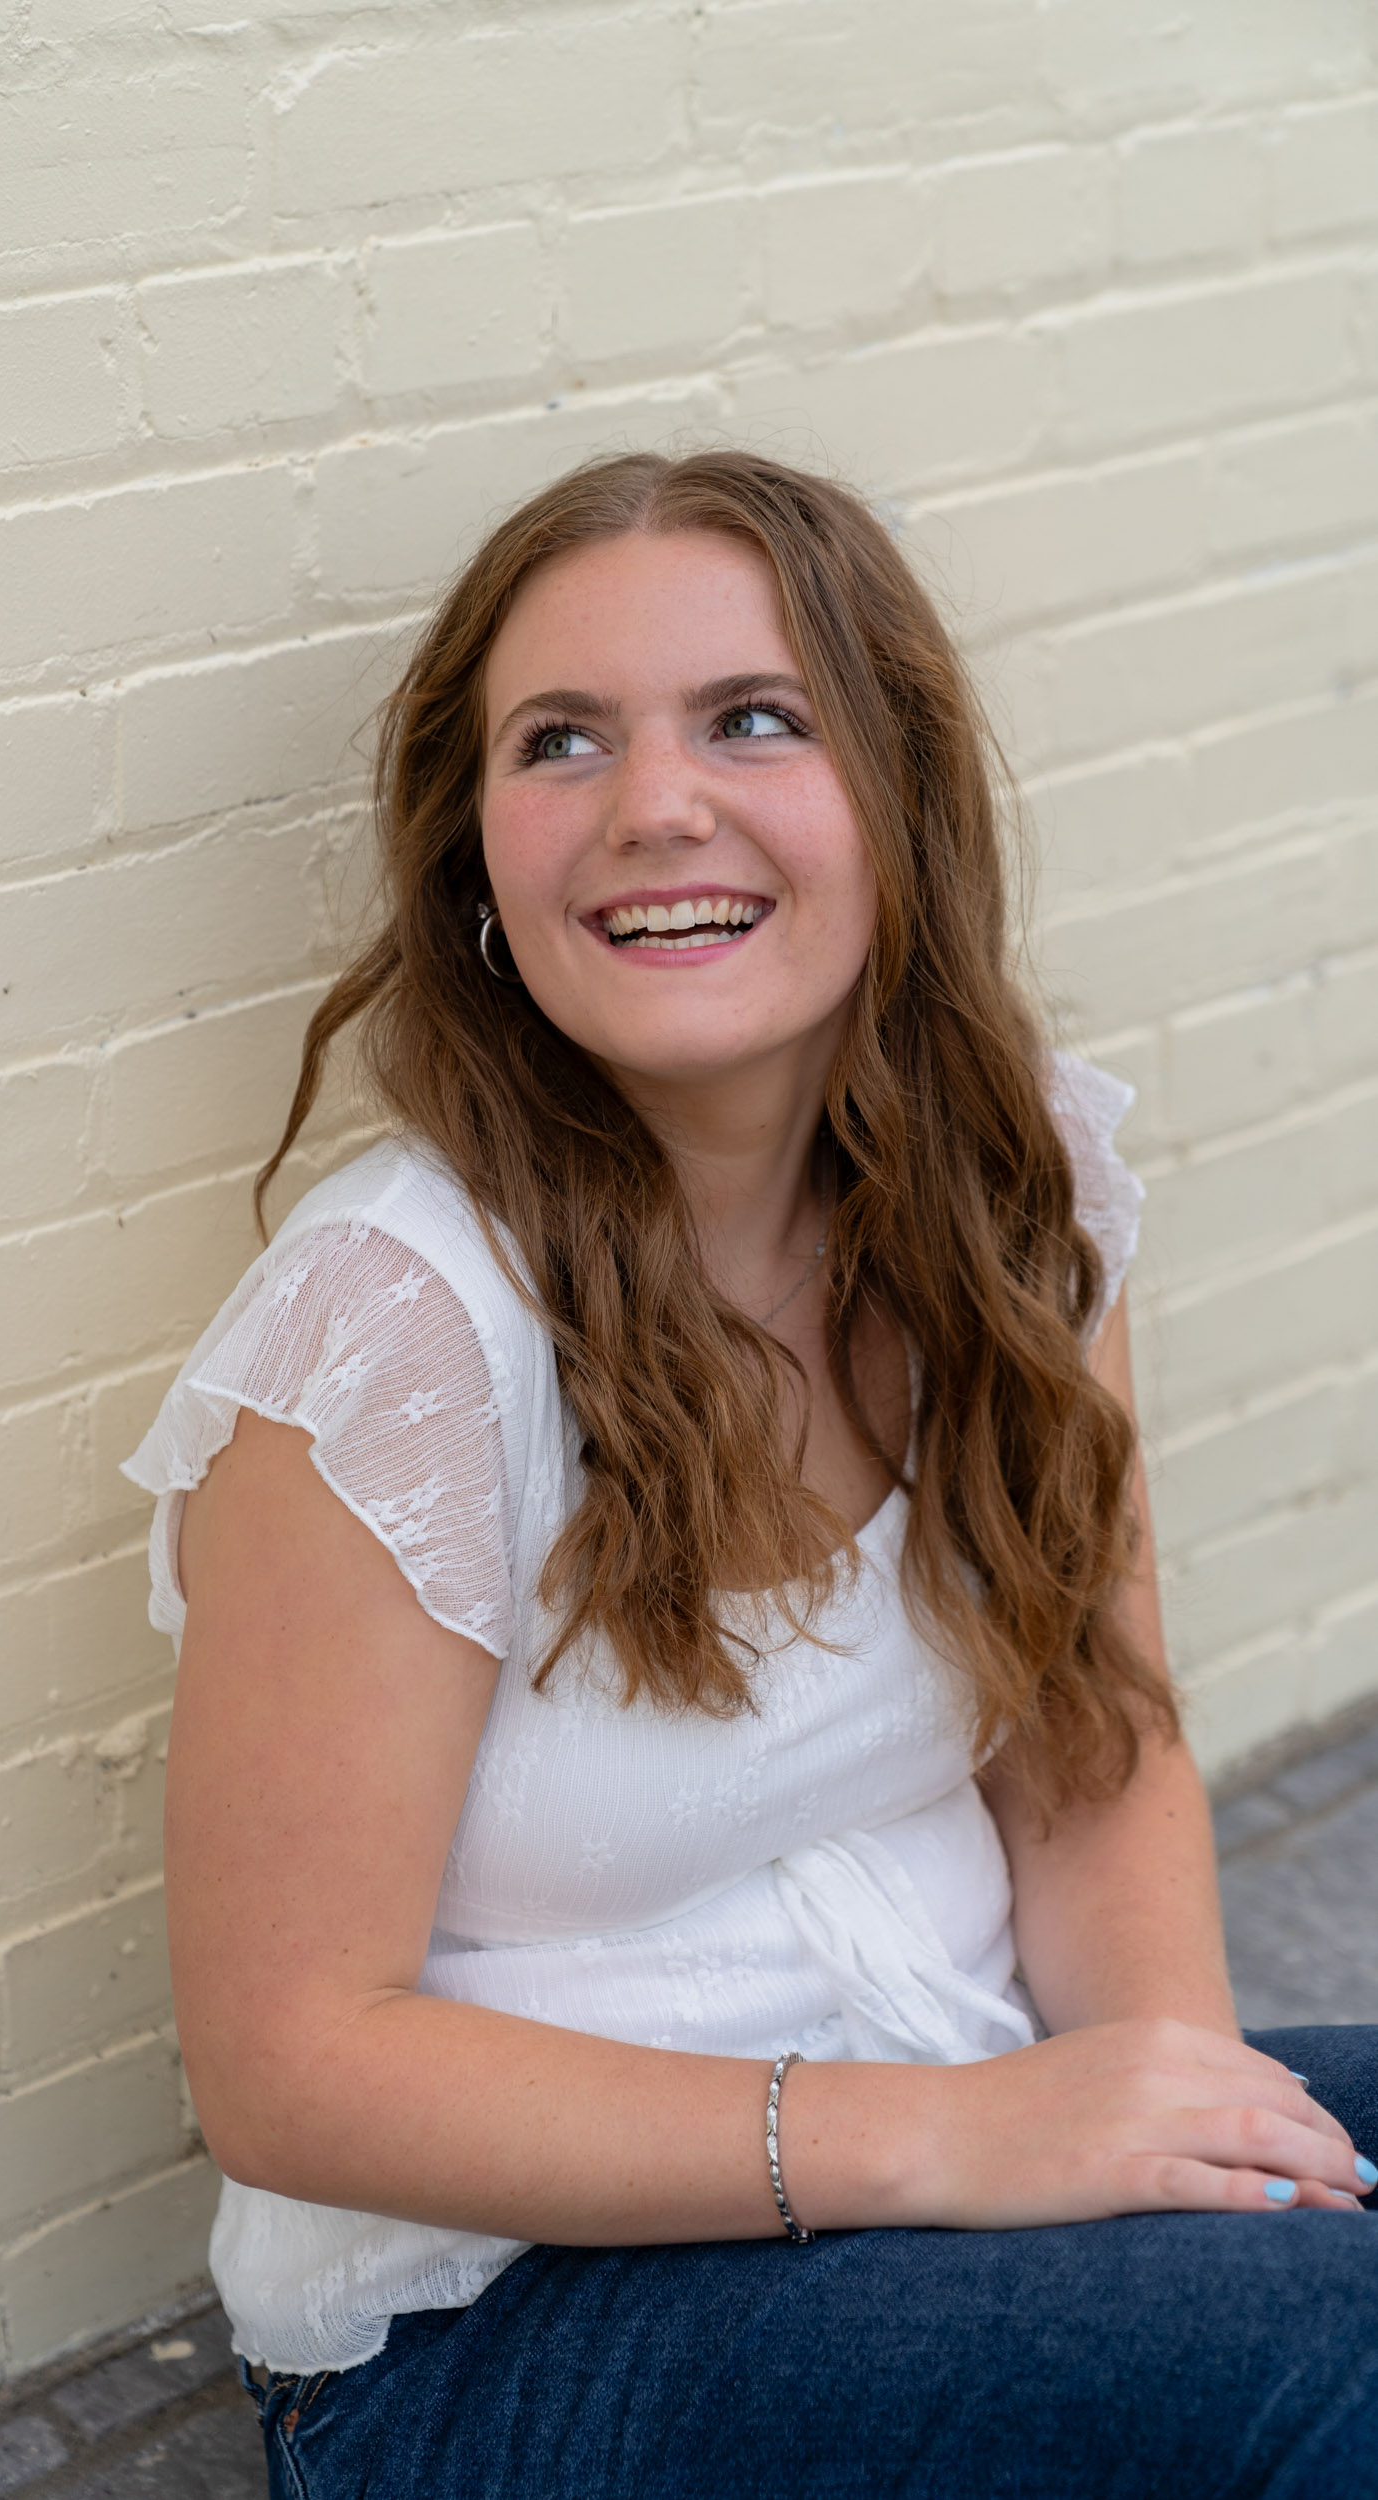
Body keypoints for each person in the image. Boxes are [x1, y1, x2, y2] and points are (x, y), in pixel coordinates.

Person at [126, 450, 1378, 2498]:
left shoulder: (1014, 1191)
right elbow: (291, 2065)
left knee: (1298, 2309)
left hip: (960, 2105)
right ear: (478, 856)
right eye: (563, 743)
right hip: (503, 2322)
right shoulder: (397, 1330)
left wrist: (1170, 2156)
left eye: (753, 718)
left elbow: (1090, 1739)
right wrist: (959, 2146)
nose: (655, 806)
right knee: (1347, 2373)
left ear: (897, 795)